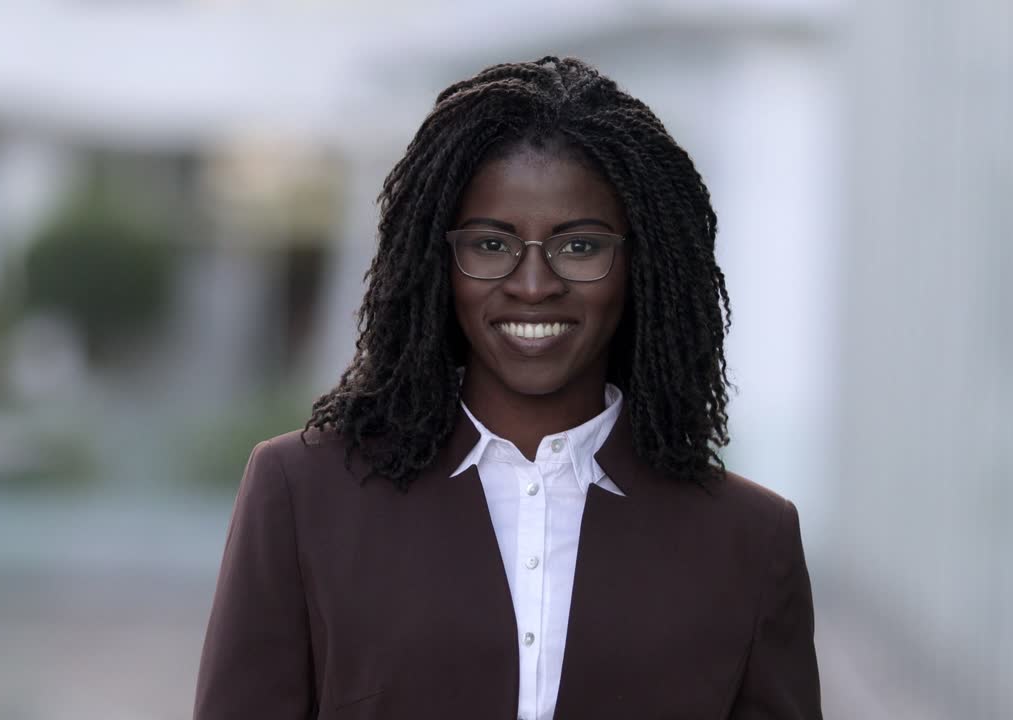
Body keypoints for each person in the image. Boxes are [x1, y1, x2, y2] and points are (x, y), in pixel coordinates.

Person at [194, 56, 821, 720]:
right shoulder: (302, 494)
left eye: (580, 247)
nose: (533, 285)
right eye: (492, 246)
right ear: (438, 263)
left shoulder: (751, 541)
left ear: (641, 266)